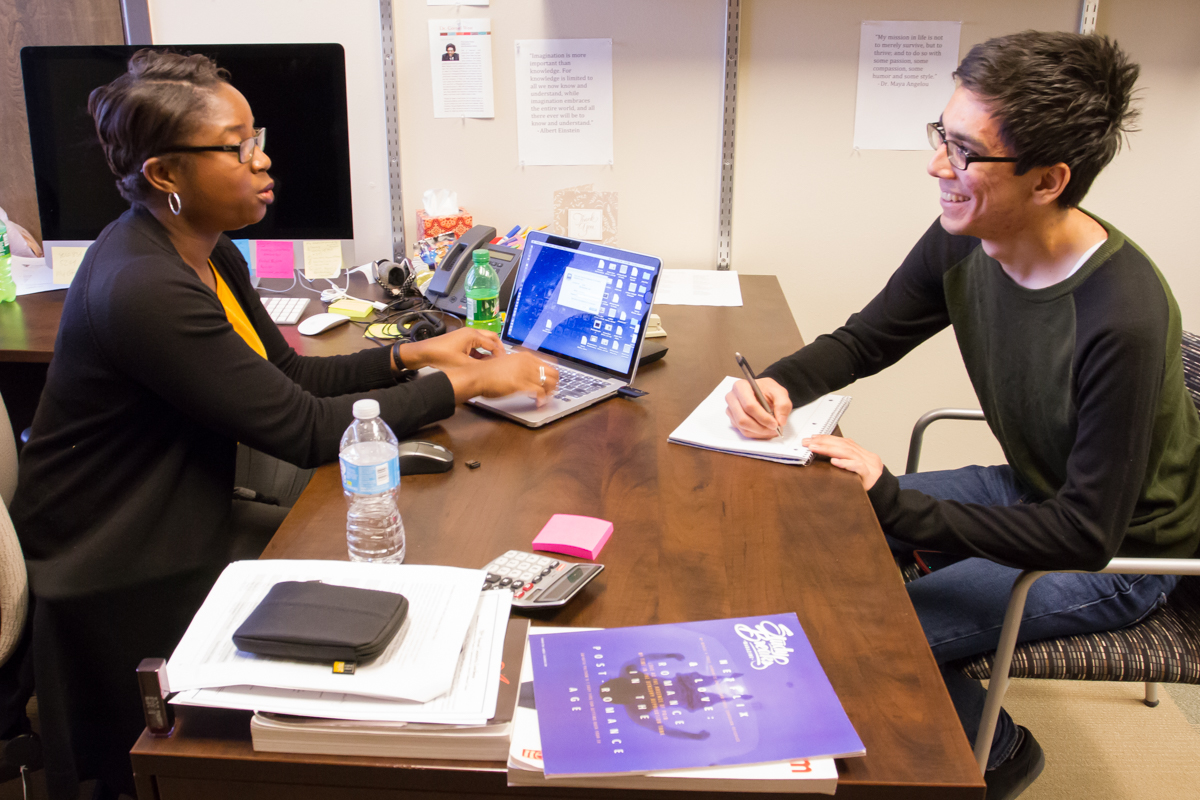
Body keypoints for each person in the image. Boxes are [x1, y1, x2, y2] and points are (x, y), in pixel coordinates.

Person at [9, 49, 557, 800]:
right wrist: (456, 384)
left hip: (179, 509)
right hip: (119, 557)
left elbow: (288, 377)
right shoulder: (144, 286)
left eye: (255, 136)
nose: (263, 161)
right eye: (236, 147)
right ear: (167, 174)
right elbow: (300, 428)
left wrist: (411, 354)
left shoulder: (203, 250)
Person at [726, 31, 1200, 800]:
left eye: (966, 152)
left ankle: (1000, 749)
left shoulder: (1125, 315)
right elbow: (866, 339)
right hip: (1031, 487)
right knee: (818, 529)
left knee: (873, 627)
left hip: (1122, 556)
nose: (938, 165)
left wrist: (898, 504)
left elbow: (1085, 533)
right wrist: (779, 383)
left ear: (1048, 180)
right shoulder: (971, 236)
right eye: (942, 137)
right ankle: (926, 577)